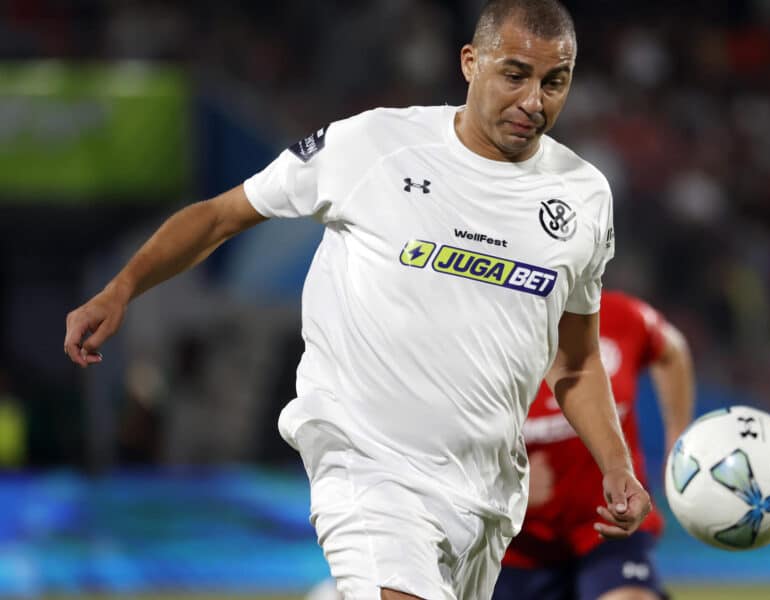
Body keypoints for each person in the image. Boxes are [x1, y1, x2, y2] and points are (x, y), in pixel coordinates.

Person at [63, 1, 652, 599]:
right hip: (371, 467)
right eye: (515, 74)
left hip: (490, 493)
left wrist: (615, 465)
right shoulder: (372, 145)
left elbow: (575, 364)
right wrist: (121, 290)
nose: (534, 100)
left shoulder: (582, 198)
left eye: (555, 82)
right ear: (471, 63)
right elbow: (221, 216)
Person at [494, 290, 694, 600]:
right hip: (512, 549)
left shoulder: (619, 315)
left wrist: (678, 440)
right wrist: (505, 488)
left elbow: (672, 350)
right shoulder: (480, 344)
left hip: (609, 527)